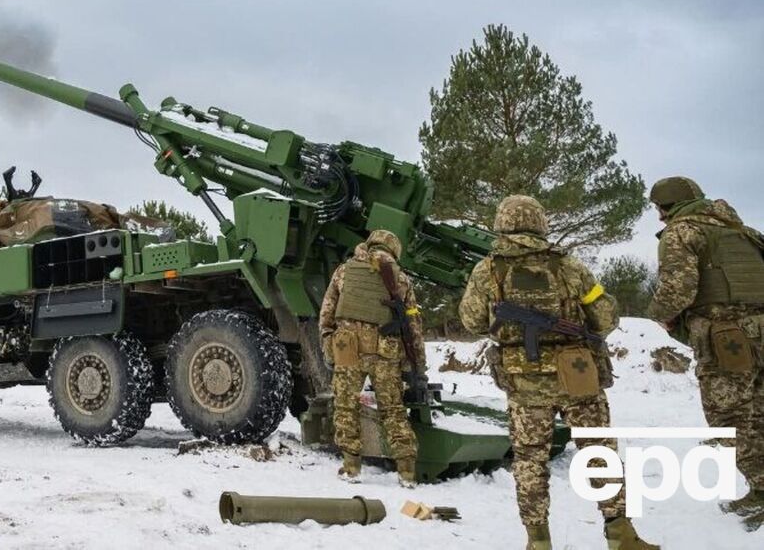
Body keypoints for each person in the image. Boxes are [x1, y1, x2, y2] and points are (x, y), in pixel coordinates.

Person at [459, 195, 657, 550]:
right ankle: (621, 535)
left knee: (530, 459)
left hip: (524, 382)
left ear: (502, 224)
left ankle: (538, 541)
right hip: (577, 374)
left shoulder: (487, 270)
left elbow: (472, 321)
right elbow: (604, 318)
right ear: (540, 223)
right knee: (599, 452)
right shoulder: (570, 266)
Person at [646, 176, 764, 530]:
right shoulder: (743, 231)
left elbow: (677, 291)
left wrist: (659, 316)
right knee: (758, 409)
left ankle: (761, 489)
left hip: (728, 340)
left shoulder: (681, 233)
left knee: (731, 417)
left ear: (665, 207)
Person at [318, 228, 425, 487]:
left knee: (345, 406)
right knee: (393, 410)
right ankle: (407, 471)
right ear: (393, 251)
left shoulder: (344, 271)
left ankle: (351, 467)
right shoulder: (401, 279)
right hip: (384, 352)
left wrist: (327, 344)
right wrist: (417, 364)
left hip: (348, 348)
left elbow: (327, 312)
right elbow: (414, 327)